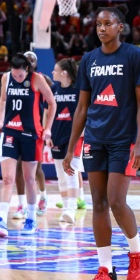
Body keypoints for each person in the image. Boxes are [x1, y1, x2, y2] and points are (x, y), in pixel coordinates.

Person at [63, 4, 140, 280]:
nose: (102, 28)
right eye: (98, 24)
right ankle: (106, 271)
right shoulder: (89, 59)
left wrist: (139, 142)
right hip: (94, 139)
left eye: (108, 24)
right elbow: (82, 107)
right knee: (97, 204)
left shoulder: (134, 55)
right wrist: (71, 146)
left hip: (123, 140)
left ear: (120, 27)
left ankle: (136, 252)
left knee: (115, 201)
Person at [0, 53, 55, 237]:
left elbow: (52, 102)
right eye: (14, 75)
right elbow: (2, 100)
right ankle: (1, 218)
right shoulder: (6, 78)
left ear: (27, 70)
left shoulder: (37, 79)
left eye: (20, 76)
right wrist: (1, 121)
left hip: (31, 134)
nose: (17, 78)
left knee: (29, 178)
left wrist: (48, 128)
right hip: (10, 132)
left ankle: (31, 220)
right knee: (7, 178)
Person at [12, 51, 52, 219]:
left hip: (35, 128)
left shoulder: (39, 79)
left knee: (37, 169)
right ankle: (21, 204)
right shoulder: (15, 78)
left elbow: (51, 93)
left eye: (31, 61)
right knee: (19, 167)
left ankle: (43, 196)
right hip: (16, 127)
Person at [44, 58, 82, 224]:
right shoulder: (54, 89)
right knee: (60, 174)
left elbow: (86, 112)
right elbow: (46, 112)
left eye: (55, 70)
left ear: (64, 73)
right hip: (56, 136)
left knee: (71, 170)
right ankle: (66, 207)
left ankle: (71, 209)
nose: (53, 72)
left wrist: (84, 131)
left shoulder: (79, 89)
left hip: (75, 137)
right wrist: (48, 132)